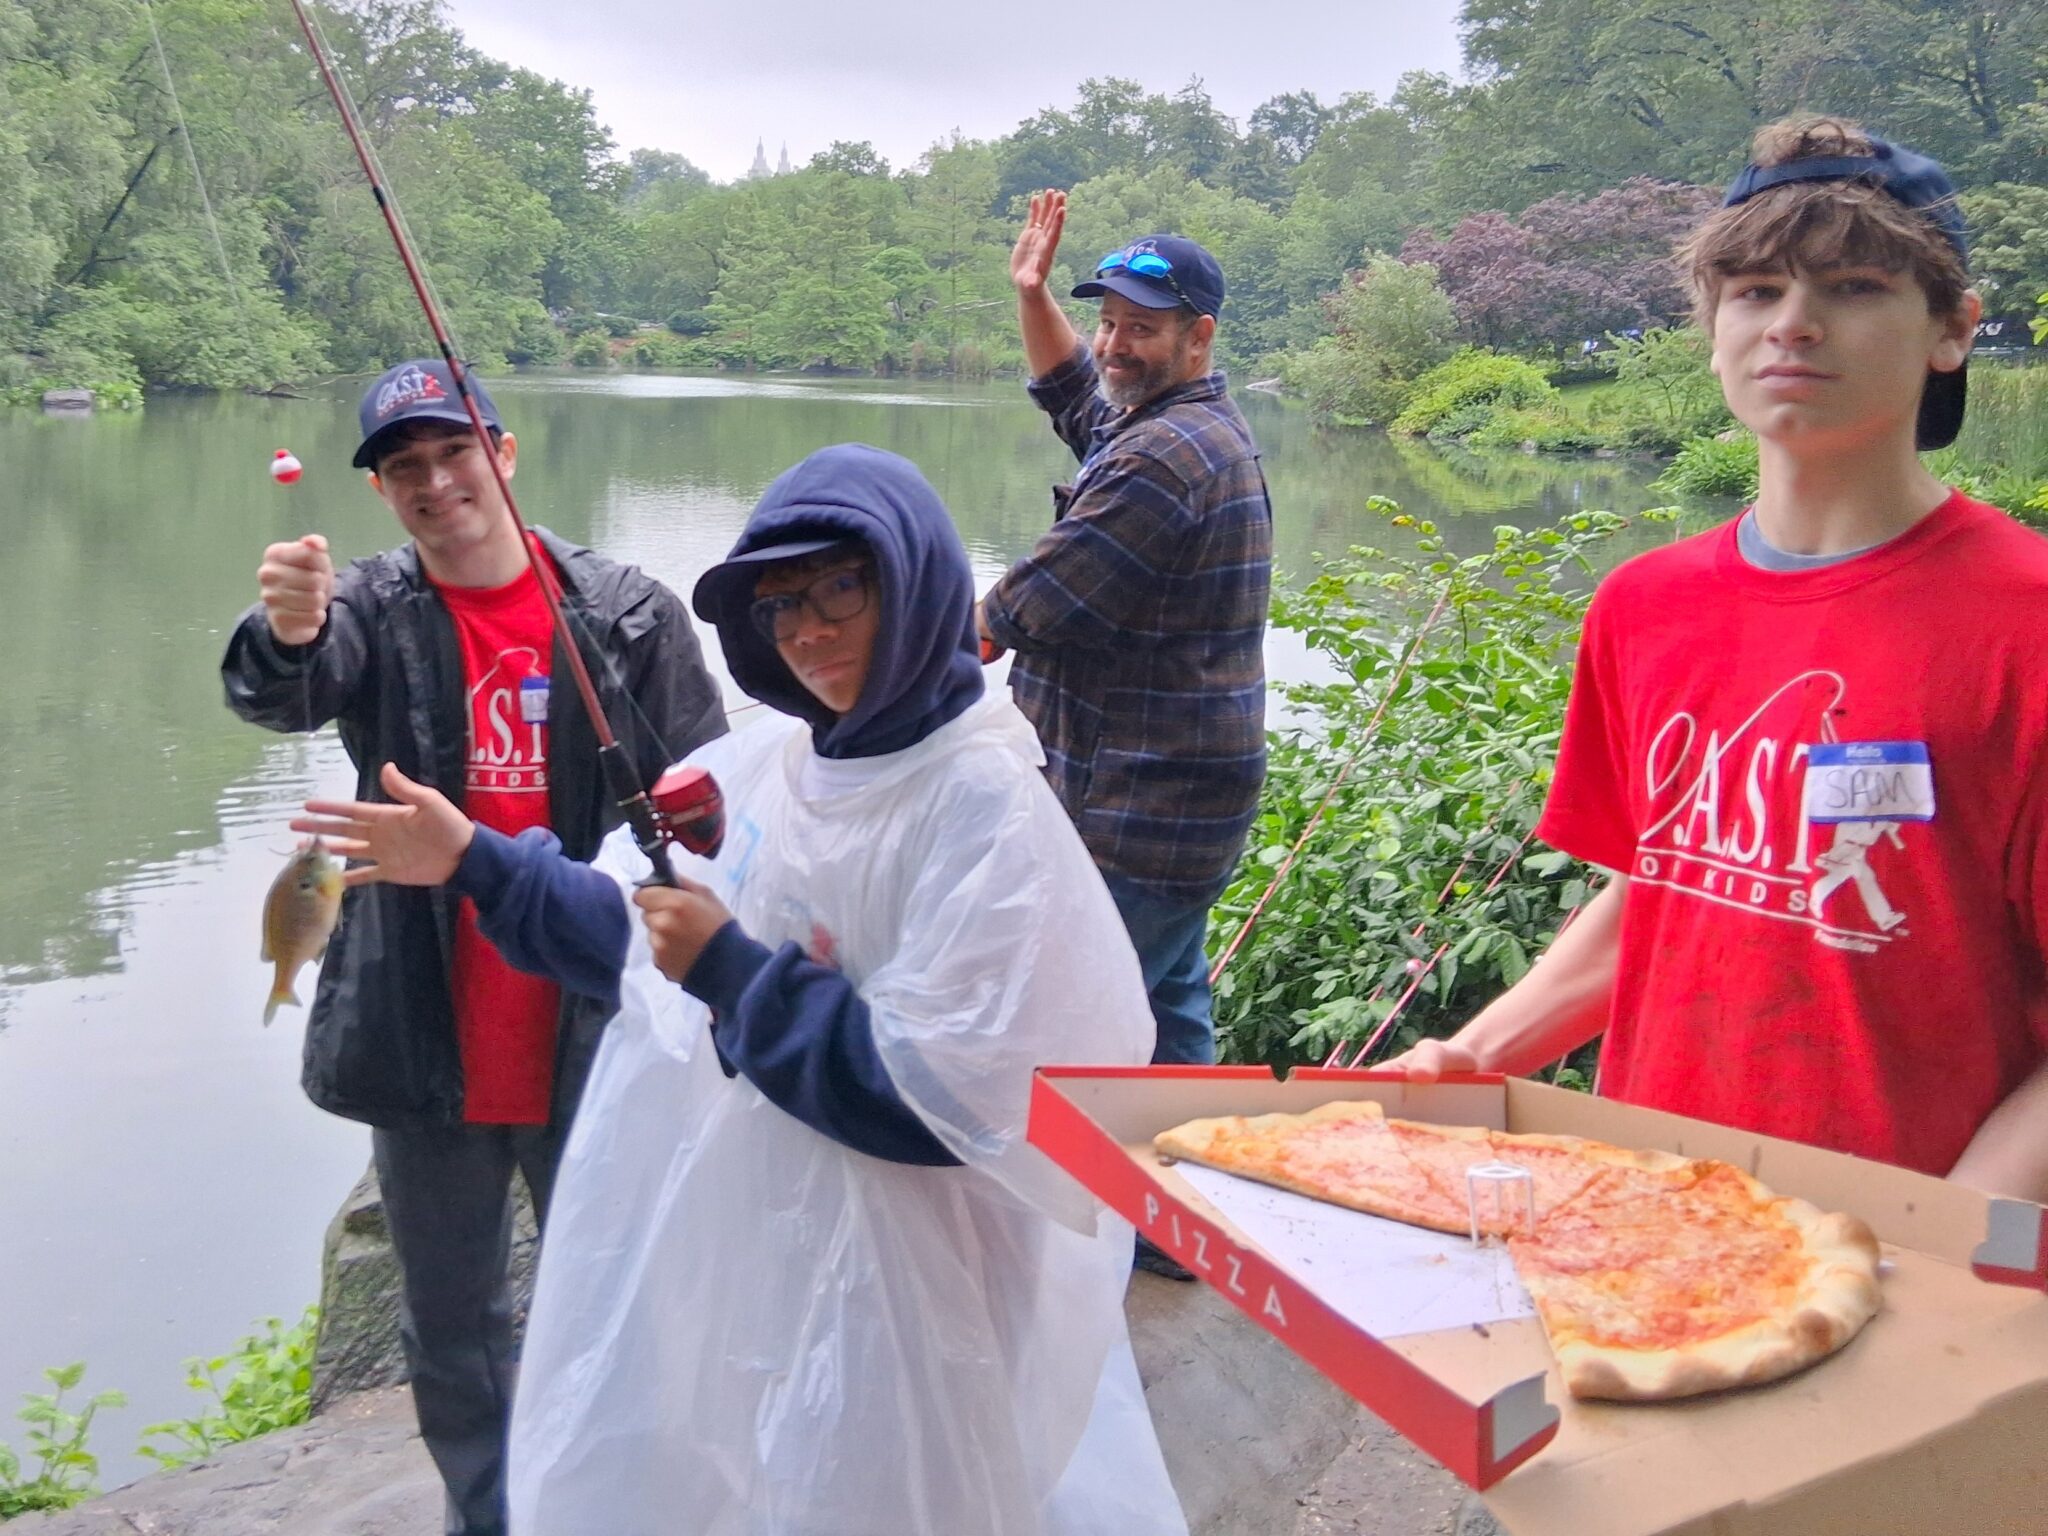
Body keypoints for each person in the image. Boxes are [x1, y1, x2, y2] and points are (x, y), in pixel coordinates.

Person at [290, 443, 1188, 1536]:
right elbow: (638, 934)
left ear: (913, 586)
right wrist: (477, 857)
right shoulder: (778, 766)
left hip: (928, 1289)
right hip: (781, 1246)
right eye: (777, 608)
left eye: (837, 591)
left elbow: (943, 1100)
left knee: (907, 1495)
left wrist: (733, 974)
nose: (806, 633)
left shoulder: (985, 808)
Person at [1388, 117, 2048, 1204]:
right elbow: (1667, 890)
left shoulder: (2024, 621)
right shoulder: (1642, 607)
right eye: (1751, 290)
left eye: (1851, 288)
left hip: (1912, 1278)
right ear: (1709, 328)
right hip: (1644, 1211)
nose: (1792, 324)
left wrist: (1937, 1250)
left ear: (1952, 329)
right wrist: (1479, 1053)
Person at [222, 359, 726, 1536]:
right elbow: (289, 687)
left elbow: (710, 805)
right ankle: (490, 1519)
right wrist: (282, 631)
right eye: (405, 467)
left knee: (623, 1300)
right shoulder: (369, 606)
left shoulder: (629, 609)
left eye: (455, 452)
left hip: (594, 1024)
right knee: (449, 1325)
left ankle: (621, 1505)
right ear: (384, 492)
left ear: (502, 452)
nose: (436, 481)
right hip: (423, 1022)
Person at [979, 192, 1272, 1079]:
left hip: (1135, 819)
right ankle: (1182, 1207)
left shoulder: (1162, 459)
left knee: (1068, 1036)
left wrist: (851, 667)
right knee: (1167, 1026)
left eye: (1139, 328)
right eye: (1107, 322)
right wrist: (1032, 293)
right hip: (1181, 815)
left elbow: (1006, 619)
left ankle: (1075, 1213)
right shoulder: (1173, 425)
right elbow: (1076, 397)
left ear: (1198, 335)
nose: (1112, 344)